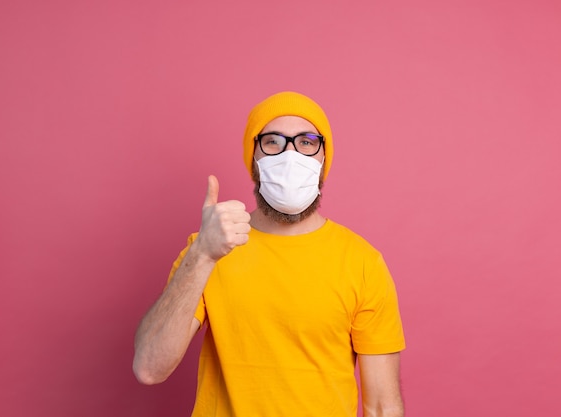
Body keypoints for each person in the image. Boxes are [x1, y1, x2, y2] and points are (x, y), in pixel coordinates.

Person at [133, 91, 406, 417]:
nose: (290, 155)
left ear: (323, 160)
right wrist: (202, 255)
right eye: (273, 141)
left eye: (306, 142)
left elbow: (382, 407)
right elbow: (149, 367)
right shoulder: (209, 248)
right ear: (254, 159)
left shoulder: (363, 263)